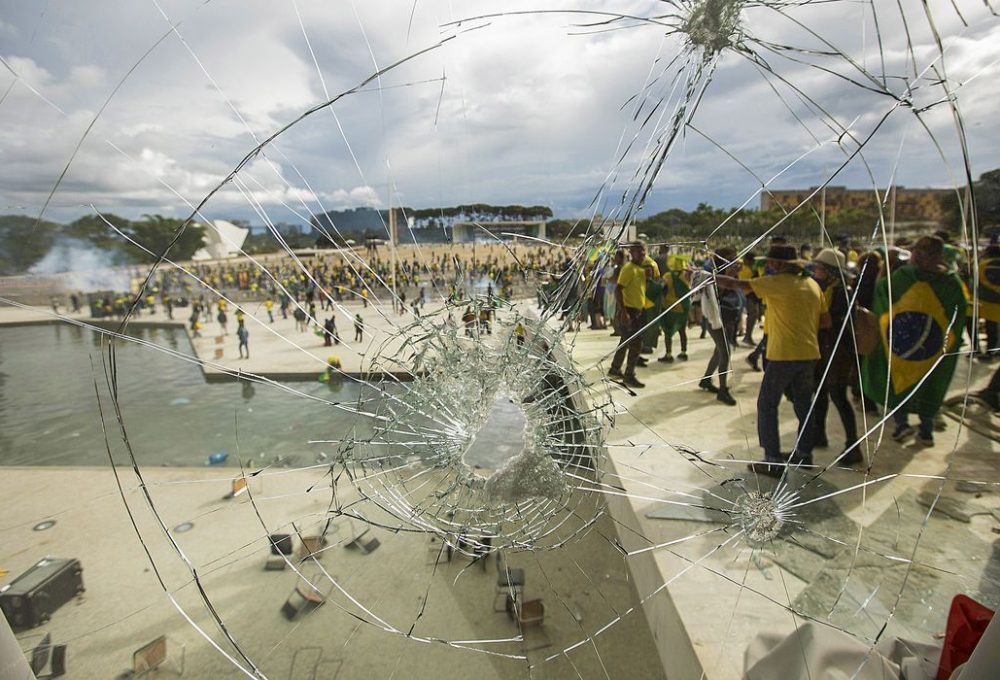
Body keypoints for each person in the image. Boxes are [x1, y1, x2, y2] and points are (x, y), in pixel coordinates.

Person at [718, 244, 830, 476]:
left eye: (771, 262)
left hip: (783, 354)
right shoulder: (812, 285)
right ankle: (803, 454)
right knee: (804, 405)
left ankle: (773, 461)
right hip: (809, 353)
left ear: (779, 265)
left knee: (767, 405)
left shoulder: (776, 283)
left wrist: (705, 277)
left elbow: (734, 285)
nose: (768, 265)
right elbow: (826, 322)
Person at [862, 235, 966, 447]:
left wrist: (887, 267)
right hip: (933, 347)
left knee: (899, 380)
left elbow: (882, 291)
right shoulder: (951, 282)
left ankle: (902, 425)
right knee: (929, 383)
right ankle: (926, 431)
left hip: (902, 344)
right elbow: (959, 313)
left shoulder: (904, 276)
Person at [808, 249, 861, 464]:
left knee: (838, 396)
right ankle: (819, 434)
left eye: (819, 268)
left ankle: (853, 445)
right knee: (820, 393)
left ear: (829, 272)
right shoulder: (829, 288)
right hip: (825, 349)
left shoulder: (841, 292)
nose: (815, 271)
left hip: (837, 352)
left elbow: (832, 322)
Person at [693, 247, 740, 405]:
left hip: (728, 315)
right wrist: (728, 277)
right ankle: (722, 390)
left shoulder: (727, 271)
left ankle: (706, 380)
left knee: (719, 351)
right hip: (716, 318)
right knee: (725, 353)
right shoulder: (712, 272)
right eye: (730, 257)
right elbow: (714, 295)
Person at [609, 242, 650, 389]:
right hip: (630, 311)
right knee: (635, 344)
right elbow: (618, 290)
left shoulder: (640, 269)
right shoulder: (629, 269)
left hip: (638, 310)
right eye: (641, 252)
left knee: (625, 341)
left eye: (644, 252)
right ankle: (629, 375)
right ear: (632, 252)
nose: (643, 255)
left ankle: (615, 369)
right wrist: (624, 312)